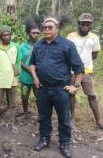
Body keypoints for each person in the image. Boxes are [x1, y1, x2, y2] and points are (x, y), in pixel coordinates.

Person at [30, 17, 84, 158]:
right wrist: (35, 78)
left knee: (64, 118)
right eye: (44, 27)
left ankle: (65, 143)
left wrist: (75, 86)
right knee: (43, 116)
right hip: (42, 89)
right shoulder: (38, 45)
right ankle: (44, 139)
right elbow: (32, 63)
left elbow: (78, 68)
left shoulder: (67, 45)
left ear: (57, 28)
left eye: (50, 27)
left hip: (61, 89)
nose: (46, 29)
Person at [67, 13, 103, 129]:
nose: (85, 25)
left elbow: (95, 54)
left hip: (87, 71)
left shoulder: (94, 37)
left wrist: (84, 64)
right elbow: (66, 53)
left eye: (88, 23)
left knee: (92, 95)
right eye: (83, 23)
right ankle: (71, 118)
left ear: (90, 24)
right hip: (72, 71)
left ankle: (99, 120)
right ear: (79, 24)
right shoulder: (71, 36)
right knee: (71, 94)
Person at [0, 25, 21, 125]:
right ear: (0, 36)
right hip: (0, 81)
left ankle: (11, 123)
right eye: (4, 35)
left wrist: (18, 76)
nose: (7, 36)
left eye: (8, 34)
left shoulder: (15, 47)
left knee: (13, 104)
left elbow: (18, 62)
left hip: (13, 80)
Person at [18, 17, 41, 116]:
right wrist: (30, 71)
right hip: (25, 77)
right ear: (28, 33)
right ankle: (25, 112)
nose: (35, 35)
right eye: (33, 33)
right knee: (24, 96)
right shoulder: (22, 47)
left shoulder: (42, 45)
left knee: (39, 97)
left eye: (37, 33)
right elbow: (20, 61)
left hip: (39, 78)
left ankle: (41, 114)